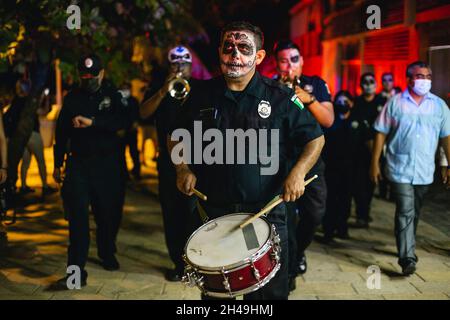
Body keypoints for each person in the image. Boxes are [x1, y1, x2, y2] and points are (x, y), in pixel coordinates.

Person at [170, 21, 324, 300]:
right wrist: (182, 168)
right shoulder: (201, 94)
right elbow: (176, 135)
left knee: (266, 297)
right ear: (219, 51)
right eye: (228, 48)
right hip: (215, 214)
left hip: (265, 214)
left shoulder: (281, 97)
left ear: (259, 56)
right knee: (217, 297)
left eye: (244, 48)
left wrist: (298, 173)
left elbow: (315, 138)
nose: (235, 55)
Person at [52, 54, 129, 288]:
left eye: (93, 76)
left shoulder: (113, 96)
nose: (89, 80)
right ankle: (75, 273)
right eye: (84, 76)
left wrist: (93, 122)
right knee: (77, 221)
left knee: (107, 216)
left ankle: (107, 252)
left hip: (108, 167)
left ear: (102, 73)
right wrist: (57, 164)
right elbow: (61, 133)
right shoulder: (72, 98)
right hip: (79, 166)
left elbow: (124, 121)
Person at [370, 61, 450, 275]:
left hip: (424, 170)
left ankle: (407, 242)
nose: (425, 80)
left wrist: (448, 164)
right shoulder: (395, 103)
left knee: (414, 212)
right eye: (419, 75)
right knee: (405, 210)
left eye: (428, 76)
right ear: (408, 79)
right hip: (399, 168)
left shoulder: (439, 106)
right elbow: (380, 132)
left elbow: (446, 137)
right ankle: (407, 257)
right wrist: (374, 163)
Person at [273, 40, 333, 290]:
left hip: (311, 161)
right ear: (277, 63)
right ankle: (287, 273)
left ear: (302, 61)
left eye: (294, 59)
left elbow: (328, 120)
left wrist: (308, 100)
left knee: (314, 214)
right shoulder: (269, 86)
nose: (289, 66)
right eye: (284, 61)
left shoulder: (316, 84)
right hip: (281, 163)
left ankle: (297, 253)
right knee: (284, 219)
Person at [140, 46, 197, 281]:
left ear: (191, 66)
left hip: (200, 159)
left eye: (184, 64)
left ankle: (196, 262)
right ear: (169, 65)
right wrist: (164, 90)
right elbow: (143, 113)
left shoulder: (201, 90)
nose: (180, 68)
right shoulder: (159, 89)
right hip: (167, 160)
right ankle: (178, 263)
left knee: (194, 214)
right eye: (175, 64)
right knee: (172, 213)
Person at [4, 79, 57, 196]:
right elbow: (43, 112)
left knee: (25, 162)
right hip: (33, 134)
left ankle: (23, 185)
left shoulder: (15, 103)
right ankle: (44, 185)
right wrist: (46, 100)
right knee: (41, 161)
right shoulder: (29, 103)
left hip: (20, 136)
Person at [350, 73, 385, 228]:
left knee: (371, 184)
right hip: (357, 151)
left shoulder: (382, 102)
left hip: (376, 151)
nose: (368, 84)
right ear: (361, 85)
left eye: (371, 82)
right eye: (365, 82)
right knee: (358, 184)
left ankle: (365, 212)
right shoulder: (356, 102)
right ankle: (360, 214)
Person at [322, 91, 357, 242]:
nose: (342, 104)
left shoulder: (356, 120)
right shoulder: (331, 121)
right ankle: (328, 230)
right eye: (339, 101)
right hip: (331, 166)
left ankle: (342, 227)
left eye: (346, 101)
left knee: (346, 199)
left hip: (350, 167)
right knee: (330, 199)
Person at [118, 82, 141, 180]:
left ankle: (136, 171)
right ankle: (124, 173)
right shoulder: (118, 101)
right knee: (121, 153)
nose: (125, 91)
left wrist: (136, 123)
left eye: (127, 88)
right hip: (122, 131)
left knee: (134, 152)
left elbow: (138, 113)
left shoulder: (134, 101)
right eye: (123, 88)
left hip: (132, 131)